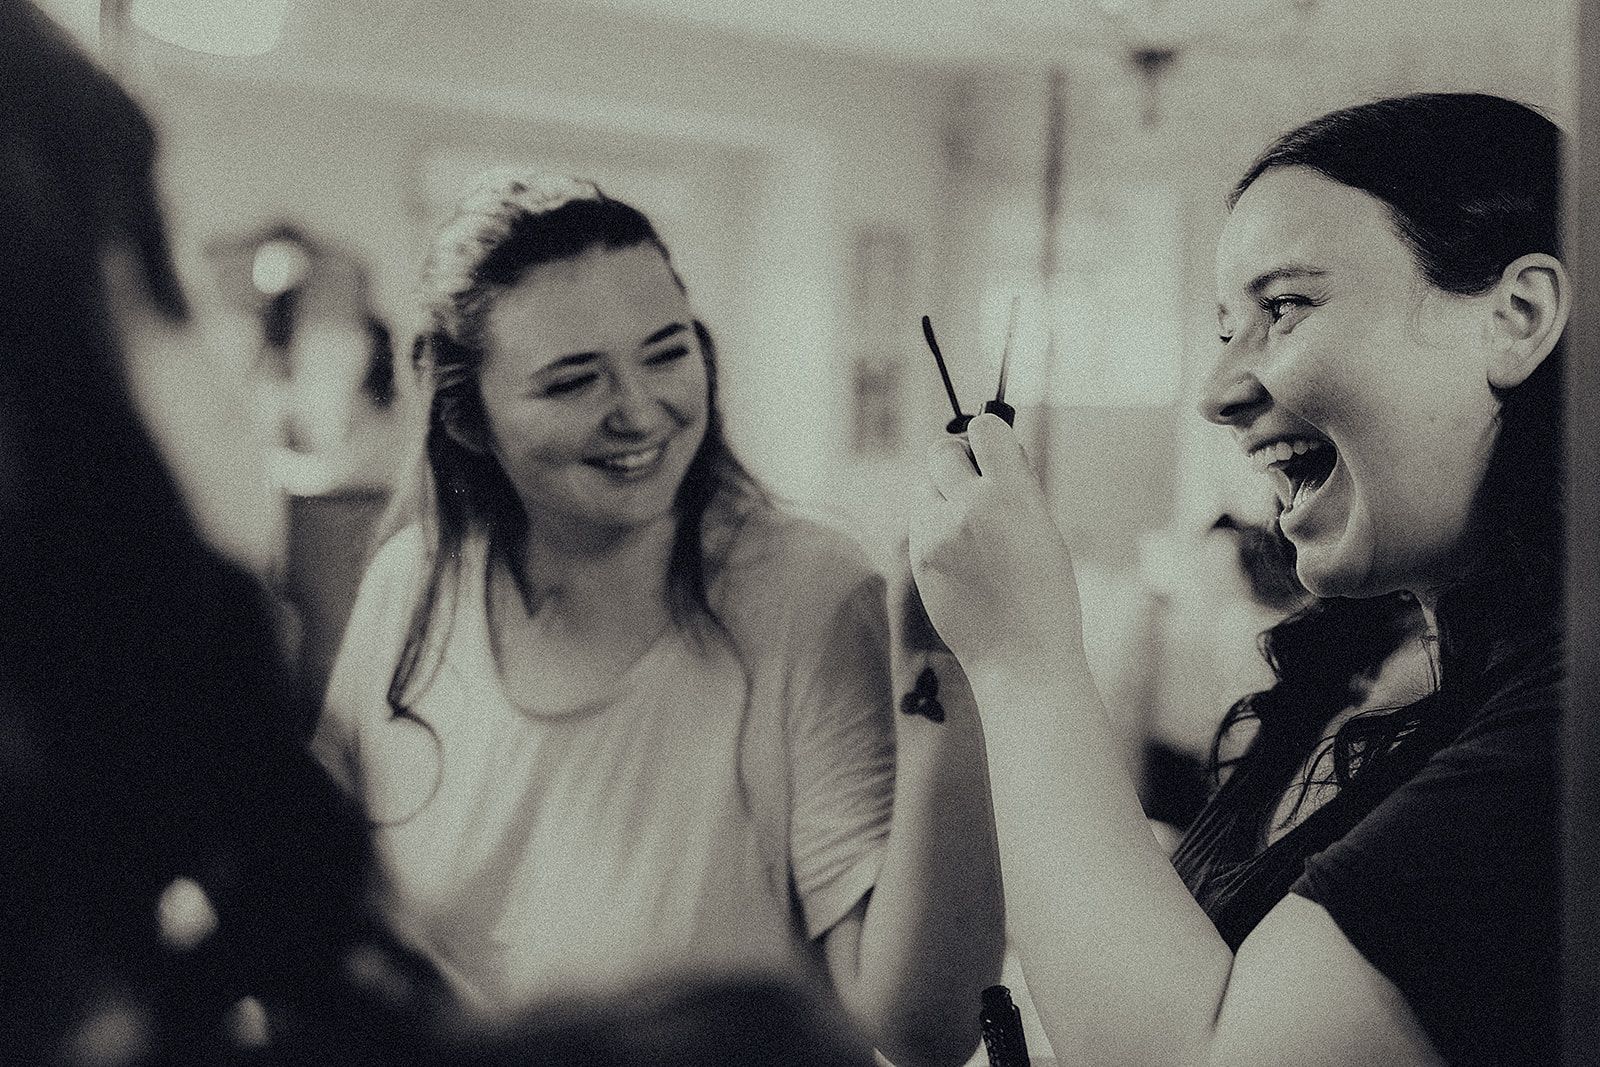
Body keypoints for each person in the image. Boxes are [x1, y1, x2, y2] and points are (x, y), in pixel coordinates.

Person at [909, 93, 1566, 1065]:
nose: (1218, 391)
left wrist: (1021, 657)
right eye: (1226, 326)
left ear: (1516, 317)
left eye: (1284, 307)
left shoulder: (1565, 728)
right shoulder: (1363, 664)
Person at [314, 173, 1003, 1065]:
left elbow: (919, 1033)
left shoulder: (807, 592)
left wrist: (946, 678)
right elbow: (329, 910)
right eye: (571, 381)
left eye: (667, 352)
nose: (640, 410)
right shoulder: (408, 587)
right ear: (469, 418)